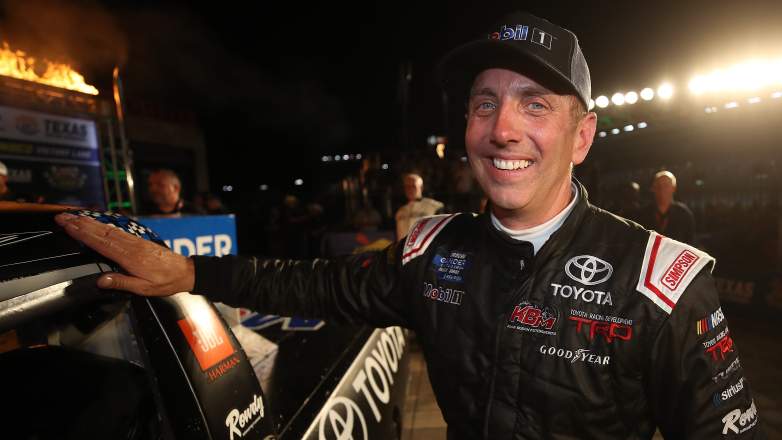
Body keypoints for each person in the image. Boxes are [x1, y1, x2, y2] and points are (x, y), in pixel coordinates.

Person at [55, 11, 763, 439]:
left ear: (582, 137)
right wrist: (191, 273)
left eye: (535, 104)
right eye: (484, 104)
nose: (503, 128)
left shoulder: (665, 283)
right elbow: (320, 287)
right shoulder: (433, 252)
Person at [639, 170, 696, 245]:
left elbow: (690, 243)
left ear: (674, 188)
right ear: (653, 188)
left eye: (666, 185)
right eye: (658, 186)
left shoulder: (684, 214)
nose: (662, 189)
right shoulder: (642, 214)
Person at [394, 172, 444, 240]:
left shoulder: (435, 207)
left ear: (421, 187)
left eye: (413, 186)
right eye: (407, 186)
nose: (410, 190)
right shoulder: (400, 211)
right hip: (403, 249)